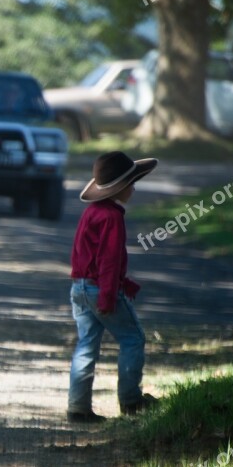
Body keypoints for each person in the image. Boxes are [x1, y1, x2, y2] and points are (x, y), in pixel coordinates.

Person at [68, 151, 159, 423]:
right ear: (119, 188)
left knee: (86, 345)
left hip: (80, 289)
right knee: (134, 338)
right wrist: (109, 294)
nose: (133, 188)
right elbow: (108, 260)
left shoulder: (91, 212)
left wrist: (122, 282)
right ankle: (131, 400)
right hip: (99, 289)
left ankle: (78, 407)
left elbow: (86, 256)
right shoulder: (112, 217)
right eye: (131, 183)